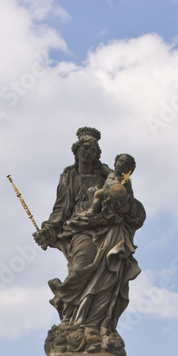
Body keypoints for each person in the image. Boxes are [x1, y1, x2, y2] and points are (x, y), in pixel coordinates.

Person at [34, 128, 146, 331]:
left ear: (98, 153)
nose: (89, 153)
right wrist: (48, 231)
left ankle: (94, 325)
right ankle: (71, 315)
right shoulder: (68, 177)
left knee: (108, 275)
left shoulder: (108, 175)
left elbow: (127, 201)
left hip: (106, 229)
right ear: (76, 151)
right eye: (85, 148)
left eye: (93, 149)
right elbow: (60, 209)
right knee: (80, 267)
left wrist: (121, 204)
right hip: (80, 227)